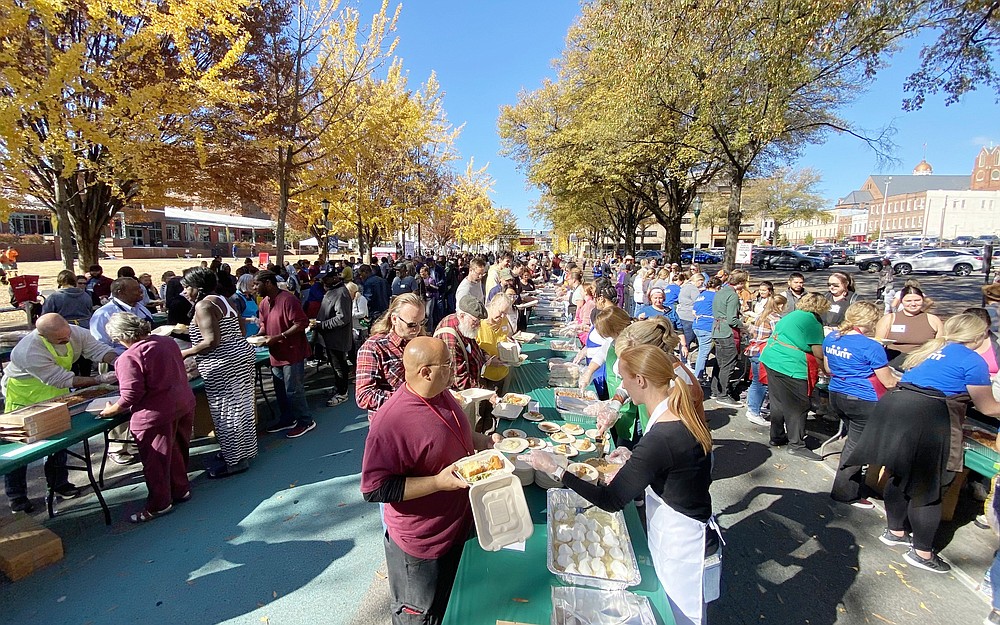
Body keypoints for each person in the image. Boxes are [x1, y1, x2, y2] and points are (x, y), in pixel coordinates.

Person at [529, 344, 720, 625]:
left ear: (640, 381)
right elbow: (674, 467)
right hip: (678, 524)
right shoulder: (676, 414)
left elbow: (611, 500)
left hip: (681, 545)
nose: (623, 387)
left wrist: (556, 468)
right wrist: (635, 460)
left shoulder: (662, 437)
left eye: (625, 380)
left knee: (678, 616)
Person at [361, 337, 502, 625]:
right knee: (420, 616)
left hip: (454, 529)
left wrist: (482, 440)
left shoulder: (441, 392)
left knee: (450, 605)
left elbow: (453, 432)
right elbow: (374, 489)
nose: (454, 369)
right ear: (425, 371)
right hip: (422, 547)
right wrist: (437, 482)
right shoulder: (392, 422)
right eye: (448, 364)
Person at [846, 313, 1000, 573]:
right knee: (931, 486)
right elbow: (987, 407)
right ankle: (922, 552)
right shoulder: (973, 361)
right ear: (978, 336)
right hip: (930, 418)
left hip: (897, 409)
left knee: (899, 473)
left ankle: (895, 531)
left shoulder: (931, 349)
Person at [3, 314, 118, 512]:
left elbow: (98, 350)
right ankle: (17, 496)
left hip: (56, 393)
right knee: (20, 447)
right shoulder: (29, 350)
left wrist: (117, 361)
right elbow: (60, 378)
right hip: (25, 396)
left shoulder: (75, 333)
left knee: (60, 438)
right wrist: (99, 380)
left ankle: (59, 483)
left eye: (67, 335)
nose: (66, 340)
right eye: (60, 339)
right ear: (42, 335)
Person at [99, 313, 196, 521]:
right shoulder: (167, 342)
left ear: (119, 336)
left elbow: (131, 394)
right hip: (182, 403)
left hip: (155, 414)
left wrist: (113, 409)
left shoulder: (129, 357)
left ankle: (160, 504)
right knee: (178, 450)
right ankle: (180, 489)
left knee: (156, 461)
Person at [179, 267, 257, 477]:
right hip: (240, 355)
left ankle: (234, 461)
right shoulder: (226, 300)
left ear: (198, 287)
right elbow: (240, 328)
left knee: (225, 412)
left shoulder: (204, 305)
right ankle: (244, 452)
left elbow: (211, 341)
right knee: (242, 407)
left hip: (222, 362)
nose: (185, 292)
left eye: (187, 287)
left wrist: (185, 353)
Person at [822, 302, 898, 508]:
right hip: (862, 399)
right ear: (871, 321)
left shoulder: (831, 337)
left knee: (852, 441)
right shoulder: (871, 346)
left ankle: (850, 484)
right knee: (856, 447)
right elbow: (889, 382)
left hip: (837, 393)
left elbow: (828, 368)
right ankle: (845, 492)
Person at [759, 293, 830, 460]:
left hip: (772, 358)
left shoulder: (791, 315)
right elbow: (818, 352)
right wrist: (825, 369)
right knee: (799, 406)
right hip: (790, 365)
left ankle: (776, 436)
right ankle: (796, 445)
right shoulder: (811, 322)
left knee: (778, 401)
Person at [90, 277, 153, 465]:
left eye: (140, 290)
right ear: (120, 292)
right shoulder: (104, 314)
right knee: (121, 399)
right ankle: (117, 447)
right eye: (136, 290)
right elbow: (98, 345)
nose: (141, 293)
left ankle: (133, 440)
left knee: (140, 398)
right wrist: (126, 354)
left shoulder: (139, 308)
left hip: (141, 360)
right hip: (116, 362)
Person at [255, 270, 315, 438]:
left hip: (292, 353)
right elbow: (264, 326)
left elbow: (301, 323)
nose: (254, 288)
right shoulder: (264, 303)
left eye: (256, 284)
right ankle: (288, 418)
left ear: (267, 283)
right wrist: (258, 336)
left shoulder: (288, 299)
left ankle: (305, 420)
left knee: (293, 389)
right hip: (276, 354)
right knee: (280, 389)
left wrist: (280, 336)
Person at [356, 293, 425, 420]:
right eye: (411, 324)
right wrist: (410, 399)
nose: (418, 329)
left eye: (421, 322)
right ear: (394, 319)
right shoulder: (373, 347)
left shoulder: (421, 340)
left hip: (420, 418)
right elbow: (364, 395)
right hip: (391, 422)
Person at [875, 285, 943, 368]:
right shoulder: (889, 319)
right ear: (901, 301)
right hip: (893, 365)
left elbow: (940, 346)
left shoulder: (933, 320)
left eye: (917, 300)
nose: (913, 304)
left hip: (923, 365)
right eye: (908, 301)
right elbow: (877, 345)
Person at [744, 294, 786, 427]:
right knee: (762, 383)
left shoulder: (761, 315)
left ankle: (753, 407)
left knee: (756, 382)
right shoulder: (775, 319)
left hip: (754, 349)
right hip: (763, 351)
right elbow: (778, 337)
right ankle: (754, 411)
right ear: (780, 305)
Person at [434, 295, 489, 392]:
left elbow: (472, 346)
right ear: (462, 315)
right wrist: (484, 392)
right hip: (461, 394)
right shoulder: (450, 337)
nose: (478, 325)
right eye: (475, 321)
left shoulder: (463, 325)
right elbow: (459, 379)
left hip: (473, 383)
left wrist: (485, 356)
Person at [315, 271, 353, 407]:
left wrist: (322, 325)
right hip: (329, 337)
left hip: (338, 338)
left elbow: (342, 318)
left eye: (326, 279)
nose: (323, 282)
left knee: (339, 366)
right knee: (335, 364)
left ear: (335, 278)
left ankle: (342, 393)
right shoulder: (332, 291)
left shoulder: (341, 293)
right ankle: (339, 387)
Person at [710, 270, 746, 407]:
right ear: (741, 283)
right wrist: (745, 326)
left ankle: (715, 390)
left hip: (717, 330)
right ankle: (723, 394)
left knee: (719, 362)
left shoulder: (720, 291)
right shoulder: (732, 295)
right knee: (728, 363)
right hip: (726, 332)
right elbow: (732, 320)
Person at [476, 294, 515, 396]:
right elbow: (473, 350)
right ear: (492, 305)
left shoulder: (504, 320)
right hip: (485, 377)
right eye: (501, 312)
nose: (503, 316)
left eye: (506, 313)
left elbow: (507, 335)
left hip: (502, 372)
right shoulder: (479, 324)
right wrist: (487, 361)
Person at [691, 277, 719, 382]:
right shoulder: (715, 296)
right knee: (703, 352)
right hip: (707, 326)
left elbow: (693, 311)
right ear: (718, 287)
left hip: (697, 325)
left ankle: (701, 373)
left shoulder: (701, 295)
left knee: (704, 350)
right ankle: (698, 376)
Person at [677, 272, 704, 360]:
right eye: (701, 281)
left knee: (683, 339)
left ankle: (683, 358)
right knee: (687, 340)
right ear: (696, 280)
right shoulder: (693, 289)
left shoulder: (684, 286)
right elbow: (698, 302)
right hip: (689, 316)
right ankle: (684, 360)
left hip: (681, 314)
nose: (701, 283)